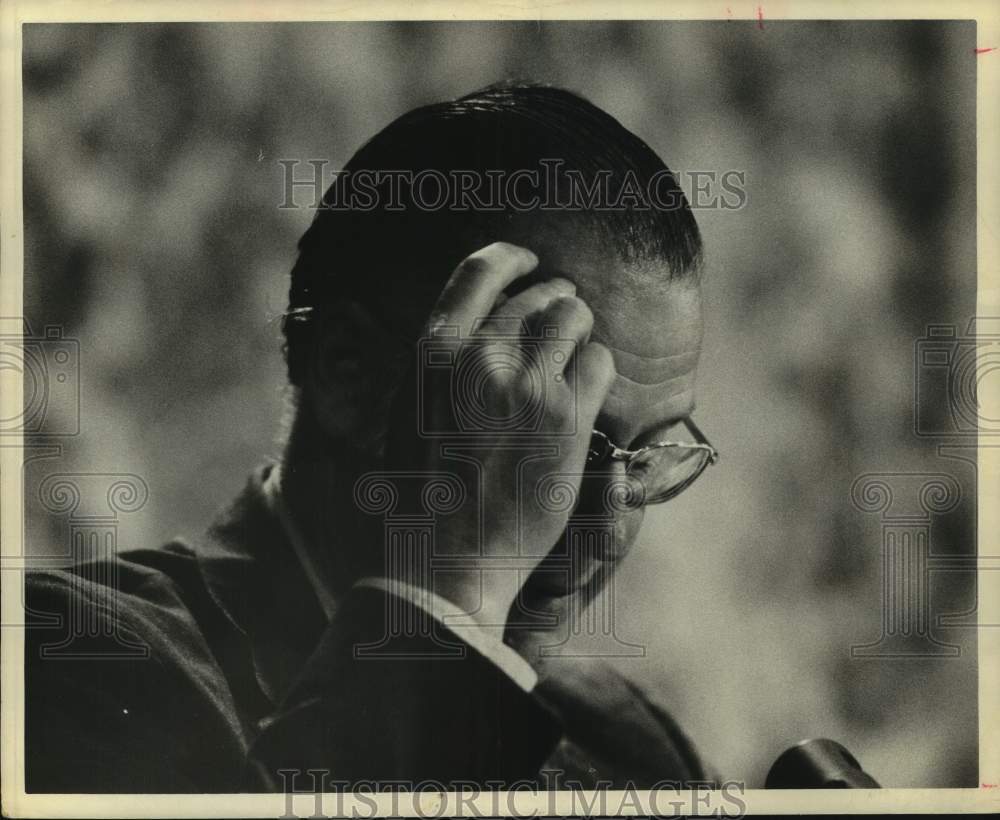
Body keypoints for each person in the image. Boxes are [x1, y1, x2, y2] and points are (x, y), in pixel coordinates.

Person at [25, 83, 719, 793]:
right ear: (347, 374)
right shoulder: (71, 657)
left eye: (648, 457)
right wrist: (457, 597)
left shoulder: (630, 745)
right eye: (555, 436)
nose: (608, 527)